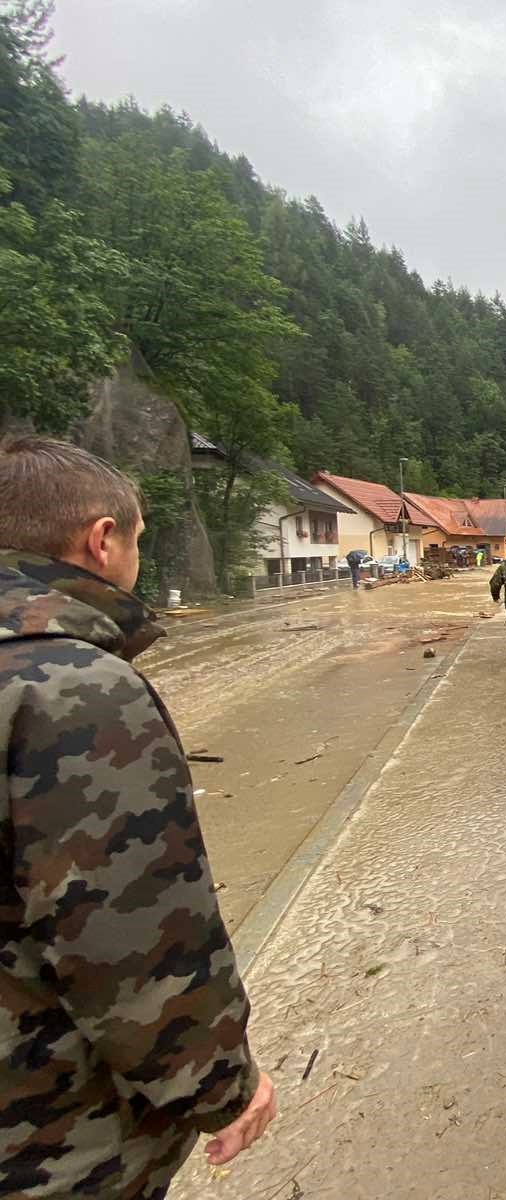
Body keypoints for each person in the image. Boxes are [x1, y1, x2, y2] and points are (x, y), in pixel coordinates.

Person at [0, 436, 275, 1198]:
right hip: (43, 1135)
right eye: (139, 542)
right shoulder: (72, 686)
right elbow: (127, 928)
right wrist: (220, 1087)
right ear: (102, 539)